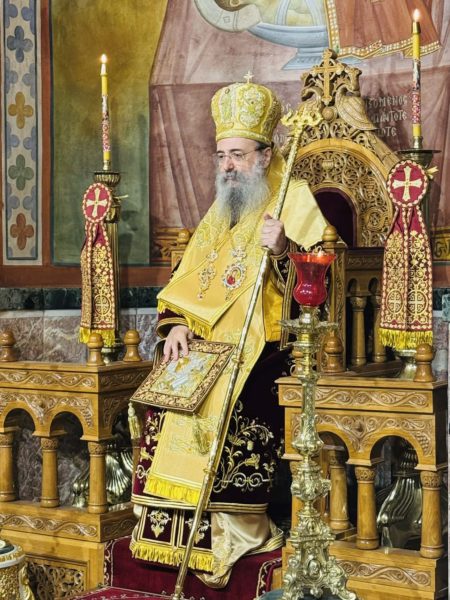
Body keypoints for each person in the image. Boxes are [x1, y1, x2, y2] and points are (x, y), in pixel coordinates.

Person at [130, 78, 327, 587]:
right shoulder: (223, 208)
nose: (228, 167)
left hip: (269, 345)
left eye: (237, 155)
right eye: (221, 156)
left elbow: (323, 286)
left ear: (265, 155)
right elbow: (186, 280)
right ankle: (170, 536)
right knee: (167, 394)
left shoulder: (293, 198)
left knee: (234, 401)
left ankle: (230, 532)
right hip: (206, 344)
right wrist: (176, 326)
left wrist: (284, 249)